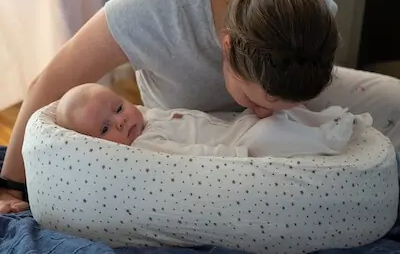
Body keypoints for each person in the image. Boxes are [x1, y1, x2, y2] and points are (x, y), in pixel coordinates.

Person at [0, 0, 398, 223]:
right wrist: (9, 184)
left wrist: (293, 107)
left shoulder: (311, 5)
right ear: (225, 47)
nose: (261, 112)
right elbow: (49, 82)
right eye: (251, 99)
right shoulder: (154, 8)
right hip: (186, 129)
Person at [55, 83, 372, 158]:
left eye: (118, 108)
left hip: (237, 124)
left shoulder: (146, 115)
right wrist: (232, 156)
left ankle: (325, 120)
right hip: (238, 145)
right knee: (268, 135)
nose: (121, 121)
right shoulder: (147, 145)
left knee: (280, 110)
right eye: (105, 128)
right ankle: (326, 141)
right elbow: (193, 156)